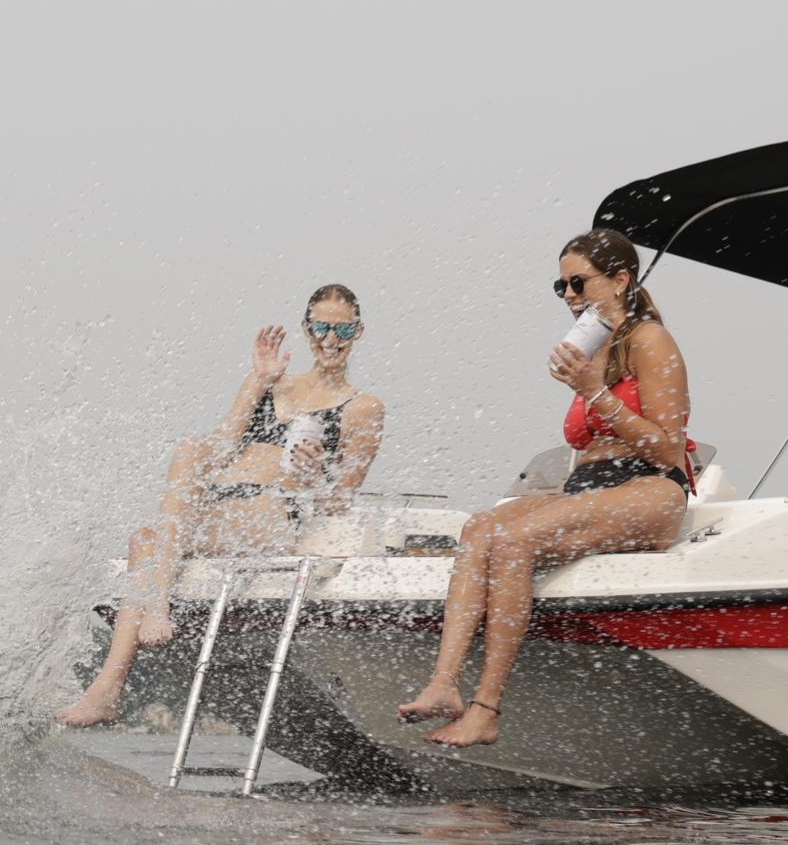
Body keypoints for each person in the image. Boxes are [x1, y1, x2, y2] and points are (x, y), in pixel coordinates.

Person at [397, 229, 692, 749]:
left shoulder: (650, 340)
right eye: (562, 287)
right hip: (591, 487)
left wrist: (595, 393)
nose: (570, 296)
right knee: (480, 528)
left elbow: (667, 449)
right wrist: (588, 383)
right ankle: (444, 684)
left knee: (515, 541)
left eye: (579, 283)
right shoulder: (594, 347)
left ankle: (486, 709)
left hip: (650, 487)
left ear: (621, 280)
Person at [56, 285, 384, 727]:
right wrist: (259, 379)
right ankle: (116, 678)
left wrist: (314, 477)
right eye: (321, 327)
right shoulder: (271, 381)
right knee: (185, 460)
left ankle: (117, 674)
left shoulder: (363, 407)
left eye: (342, 329)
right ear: (307, 330)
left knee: (149, 544)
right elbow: (222, 449)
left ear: (358, 331)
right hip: (220, 503)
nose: (331, 339)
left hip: (276, 510)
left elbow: (341, 499)